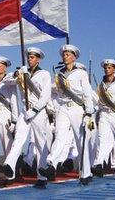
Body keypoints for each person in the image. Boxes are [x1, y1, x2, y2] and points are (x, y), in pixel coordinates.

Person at [39, 44, 95, 185]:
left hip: (77, 108)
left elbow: (87, 93)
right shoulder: (59, 75)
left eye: (68, 54)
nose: (65, 56)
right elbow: (53, 90)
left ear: (74, 57)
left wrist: (88, 112)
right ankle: (52, 165)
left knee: (80, 141)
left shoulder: (81, 73)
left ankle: (86, 173)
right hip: (63, 108)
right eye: (64, 54)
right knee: (60, 136)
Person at [1, 47, 52, 188]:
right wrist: (17, 72)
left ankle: (42, 177)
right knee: (18, 140)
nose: (30, 59)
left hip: (38, 112)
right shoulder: (22, 73)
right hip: (24, 112)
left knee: (40, 143)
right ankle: (9, 165)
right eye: (29, 57)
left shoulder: (44, 74)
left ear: (38, 59)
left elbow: (45, 95)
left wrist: (35, 110)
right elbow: (6, 80)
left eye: (33, 57)